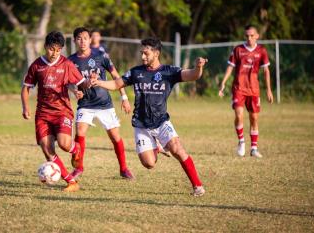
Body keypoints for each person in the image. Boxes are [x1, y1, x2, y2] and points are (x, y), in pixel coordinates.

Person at [91, 37, 207, 196]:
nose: (143, 57)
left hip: (161, 121)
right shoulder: (136, 72)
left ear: (156, 53)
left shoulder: (169, 71)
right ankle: (158, 146)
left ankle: (198, 186)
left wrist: (198, 67)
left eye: (146, 53)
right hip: (141, 125)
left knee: (177, 149)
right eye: (141, 53)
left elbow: (193, 75)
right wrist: (99, 82)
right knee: (149, 164)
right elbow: (117, 84)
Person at [21, 31, 90, 192]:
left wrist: (81, 88)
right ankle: (71, 182)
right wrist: (25, 107)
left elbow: (78, 83)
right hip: (43, 114)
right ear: (46, 47)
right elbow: (26, 89)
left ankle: (76, 149)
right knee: (47, 148)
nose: (55, 53)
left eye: (58, 50)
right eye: (52, 49)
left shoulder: (66, 64)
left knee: (65, 144)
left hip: (62, 112)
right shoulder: (37, 65)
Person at [68, 27, 134, 180]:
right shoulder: (71, 61)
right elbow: (68, 83)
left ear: (90, 39)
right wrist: (74, 91)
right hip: (85, 104)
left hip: (104, 103)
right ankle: (79, 168)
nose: (82, 41)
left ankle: (123, 169)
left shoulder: (101, 56)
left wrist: (124, 98)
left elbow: (116, 76)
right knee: (80, 131)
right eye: (79, 38)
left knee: (115, 136)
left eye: (85, 38)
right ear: (74, 41)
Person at [218, 25, 273, 158]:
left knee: (254, 118)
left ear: (257, 36)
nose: (249, 38)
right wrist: (223, 83)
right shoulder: (238, 49)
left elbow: (266, 71)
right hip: (239, 88)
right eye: (247, 36)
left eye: (252, 35)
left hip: (254, 90)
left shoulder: (262, 51)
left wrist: (269, 90)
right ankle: (241, 141)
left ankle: (254, 148)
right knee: (239, 115)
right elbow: (230, 67)